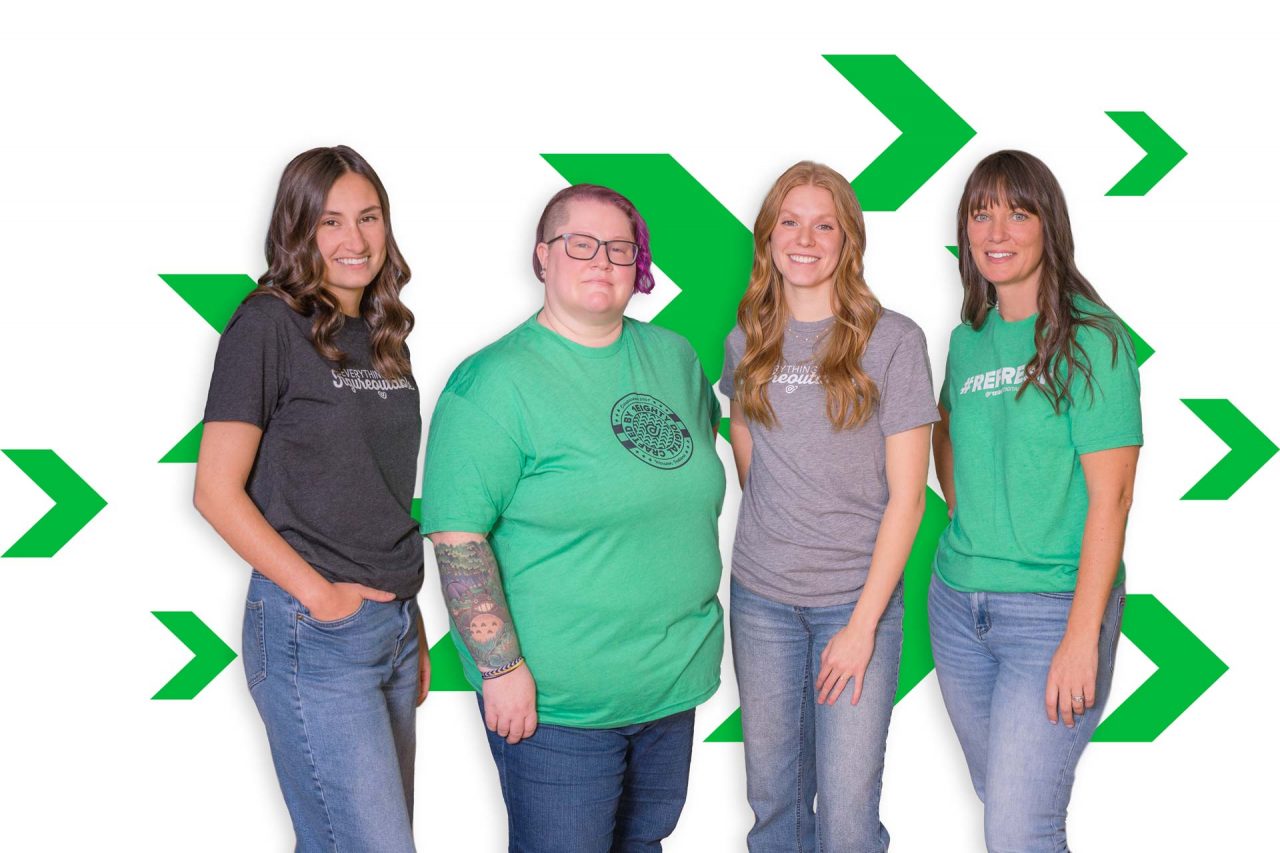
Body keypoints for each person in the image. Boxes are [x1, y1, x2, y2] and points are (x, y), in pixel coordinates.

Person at [420, 183, 726, 853]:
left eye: (619, 247)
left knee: (643, 845)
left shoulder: (675, 358)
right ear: (543, 257)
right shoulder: (492, 384)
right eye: (579, 244)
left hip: (670, 684)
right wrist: (499, 668)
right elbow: (458, 539)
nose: (601, 261)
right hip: (558, 705)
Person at [194, 145, 428, 852]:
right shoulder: (267, 323)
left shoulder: (383, 335)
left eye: (368, 217)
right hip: (312, 630)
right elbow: (215, 490)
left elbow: (373, 489)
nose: (353, 240)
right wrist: (322, 597)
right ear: (297, 230)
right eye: (329, 222)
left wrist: (405, 624)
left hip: (390, 628)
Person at [720, 161, 938, 852]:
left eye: (825, 224)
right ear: (768, 237)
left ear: (849, 241)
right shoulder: (746, 338)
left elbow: (909, 497)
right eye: (790, 221)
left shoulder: (893, 340)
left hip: (855, 601)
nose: (805, 238)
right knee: (775, 806)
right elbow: (748, 449)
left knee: (846, 820)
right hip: (762, 602)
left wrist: (863, 624)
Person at [930, 150, 1141, 852]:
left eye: (1018, 211)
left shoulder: (1092, 339)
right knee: (1006, 806)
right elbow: (946, 426)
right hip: (959, 606)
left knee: (1020, 829)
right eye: (981, 211)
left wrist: (1083, 636)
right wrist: (967, 509)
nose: (997, 228)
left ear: (1048, 224)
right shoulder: (967, 340)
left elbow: (1112, 499)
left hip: (1052, 612)